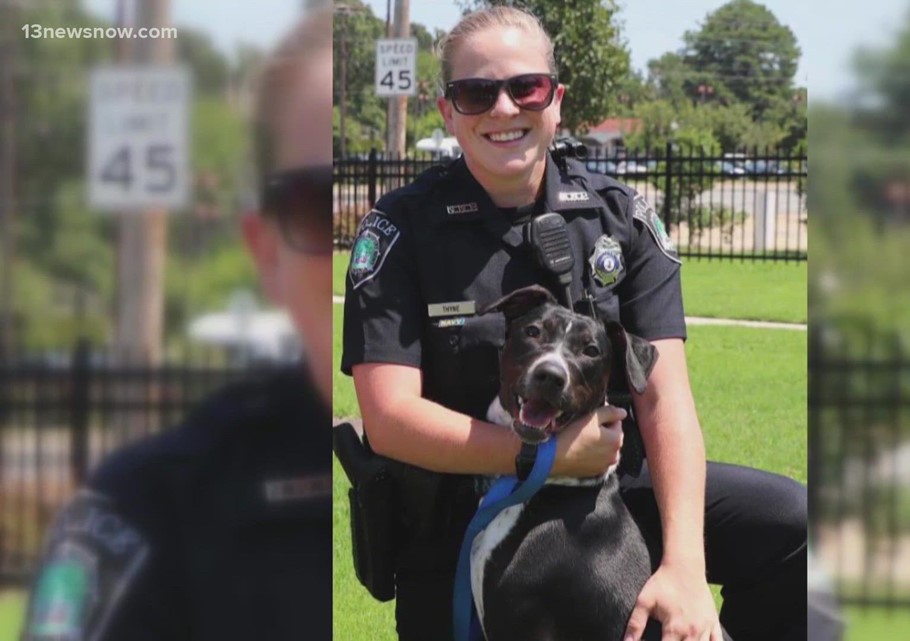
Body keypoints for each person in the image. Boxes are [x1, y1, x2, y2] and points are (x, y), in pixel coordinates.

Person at [340, 6, 806, 641]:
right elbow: (391, 419)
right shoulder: (401, 231)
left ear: (556, 101)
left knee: (795, 527)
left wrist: (686, 568)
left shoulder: (621, 218)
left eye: (525, 87)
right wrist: (546, 457)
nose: (503, 110)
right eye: (476, 93)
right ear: (447, 111)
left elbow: (664, 397)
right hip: (457, 504)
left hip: (612, 493)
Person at [19, 8, 333, 641]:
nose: (363, 251)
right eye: (317, 206)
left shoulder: (509, 462)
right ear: (265, 250)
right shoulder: (140, 518)